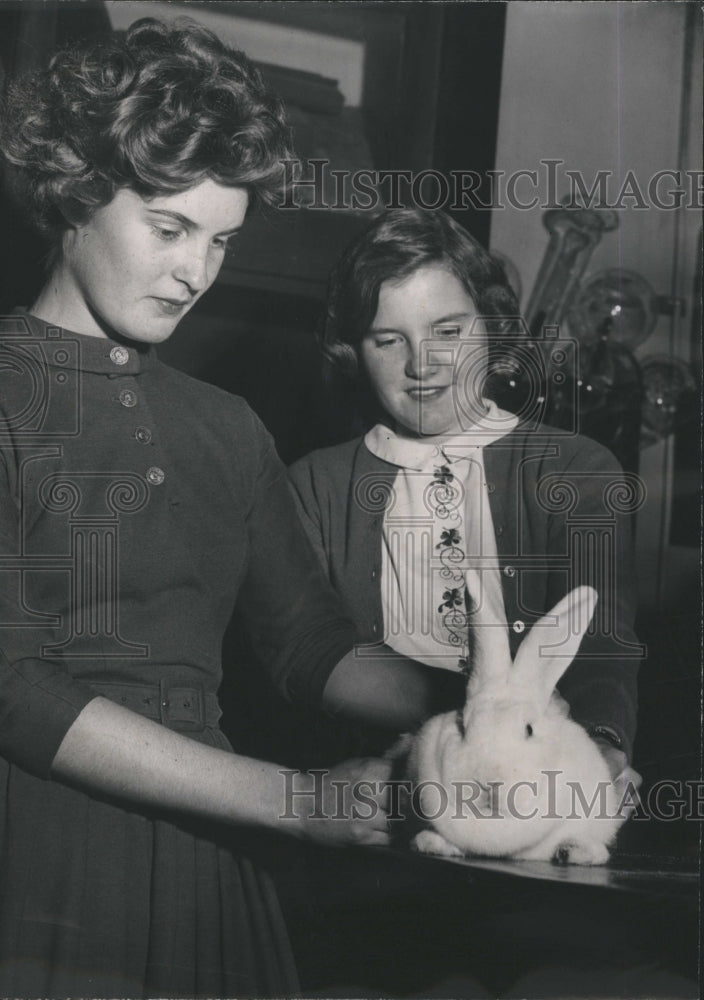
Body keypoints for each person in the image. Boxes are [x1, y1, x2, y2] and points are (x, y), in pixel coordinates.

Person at [0, 21, 456, 998]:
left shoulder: (228, 426)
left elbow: (308, 642)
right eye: (168, 230)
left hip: (213, 878)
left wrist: (471, 707)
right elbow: (12, 686)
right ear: (75, 192)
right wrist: (294, 800)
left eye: (221, 241)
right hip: (36, 867)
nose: (195, 274)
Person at [289, 208, 643, 779]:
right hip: (370, 790)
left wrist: (601, 742)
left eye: (448, 331)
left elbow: (601, 642)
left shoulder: (578, 469)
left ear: (492, 328)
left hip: (527, 777)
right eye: (387, 340)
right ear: (354, 351)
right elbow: (304, 657)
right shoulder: (313, 485)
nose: (421, 364)